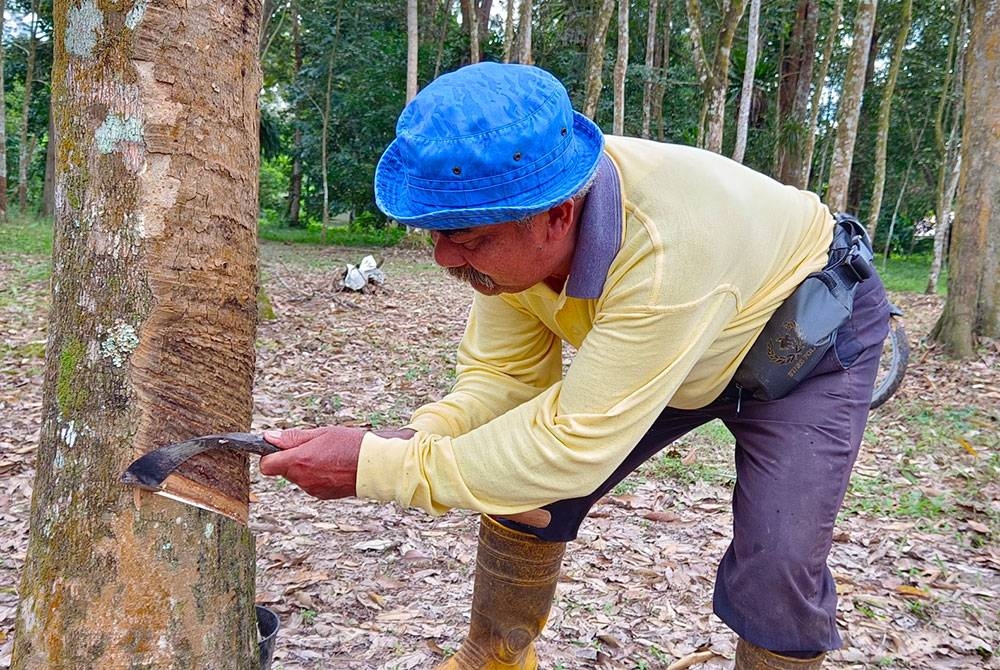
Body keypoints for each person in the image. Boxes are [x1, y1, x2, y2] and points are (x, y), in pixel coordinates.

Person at [259, 62, 890, 670]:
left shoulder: (668, 248)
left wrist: (374, 468)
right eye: (435, 233)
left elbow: (572, 445)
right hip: (664, 344)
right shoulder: (519, 212)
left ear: (558, 216)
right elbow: (504, 383)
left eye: (469, 238)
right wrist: (420, 436)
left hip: (804, 343)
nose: (445, 258)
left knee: (779, 561)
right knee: (515, 478)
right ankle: (496, 656)